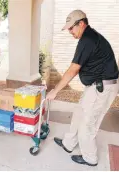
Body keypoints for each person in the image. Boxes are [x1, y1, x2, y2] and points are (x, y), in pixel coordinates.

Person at [46, 10, 119, 166]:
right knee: (79, 112)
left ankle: (90, 157)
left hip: (103, 88)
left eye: (71, 28)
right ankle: (69, 143)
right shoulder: (88, 38)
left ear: (81, 23)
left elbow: (73, 70)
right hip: (95, 86)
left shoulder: (88, 40)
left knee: (89, 123)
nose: (70, 32)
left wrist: (55, 91)